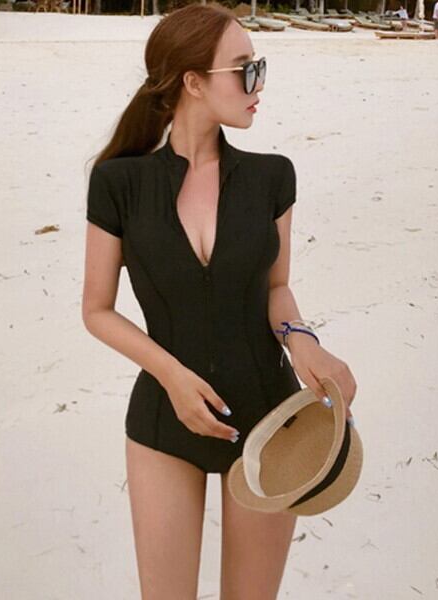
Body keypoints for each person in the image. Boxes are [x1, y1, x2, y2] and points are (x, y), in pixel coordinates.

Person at [81, 4, 357, 599]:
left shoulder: (272, 177)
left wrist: (304, 342)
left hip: (271, 419)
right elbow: (96, 310)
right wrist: (173, 376)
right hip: (164, 418)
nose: (259, 84)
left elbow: (276, 288)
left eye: (259, 66)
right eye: (245, 68)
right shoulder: (119, 184)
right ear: (193, 82)